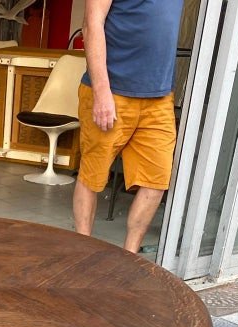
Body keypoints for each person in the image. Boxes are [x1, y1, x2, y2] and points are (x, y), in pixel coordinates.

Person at [72, 0, 185, 253]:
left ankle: (130, 256)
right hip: (112, 92)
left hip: (159, 97)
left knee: (156, 180)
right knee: (93, 175)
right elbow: (91, 24)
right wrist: (102, 92)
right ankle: (82, 248)